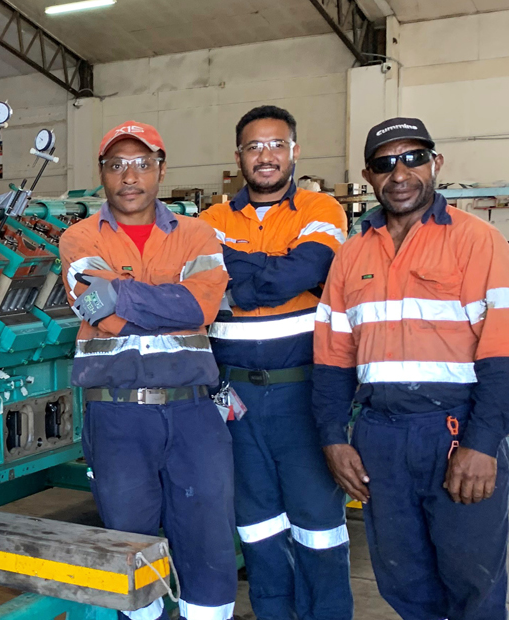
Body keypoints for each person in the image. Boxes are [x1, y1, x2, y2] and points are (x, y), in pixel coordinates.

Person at [313, 118, 509, 620]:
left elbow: (501, 355)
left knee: (474, 582)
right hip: (379, 437)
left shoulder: (480, 242)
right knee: (404, 580)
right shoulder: (350, 255)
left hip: (455, 432)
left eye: (413, 158)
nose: (399, 173)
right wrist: (335, 437)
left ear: (435, 163)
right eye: (384, 163)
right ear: (368, 175)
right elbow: (333, 359)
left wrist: (483, 444)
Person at [60, 121, 236, 620]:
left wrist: (123, 291)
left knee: (207, 539)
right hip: (117, 419)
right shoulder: (77, 238)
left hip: (193, 414)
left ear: (161, 169)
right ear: (102, 174)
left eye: (141, 163)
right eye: (116, 165)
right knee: (130, 547)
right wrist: (163, 297)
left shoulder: (197, 233)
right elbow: (100, 310)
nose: (129, 176)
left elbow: (200, 308)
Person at [198, 106, 352, 620]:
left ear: (294, 151)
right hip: (234, 398)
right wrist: (284, 272)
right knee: (258, 527)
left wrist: (243, 275)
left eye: (276, 145)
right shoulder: (209, 222)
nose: (266, 156)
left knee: (319, 528)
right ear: (238, 155)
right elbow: (278, 276)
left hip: (303, 396)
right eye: (254, 147)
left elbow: (309, 268)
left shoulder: (322, 208)